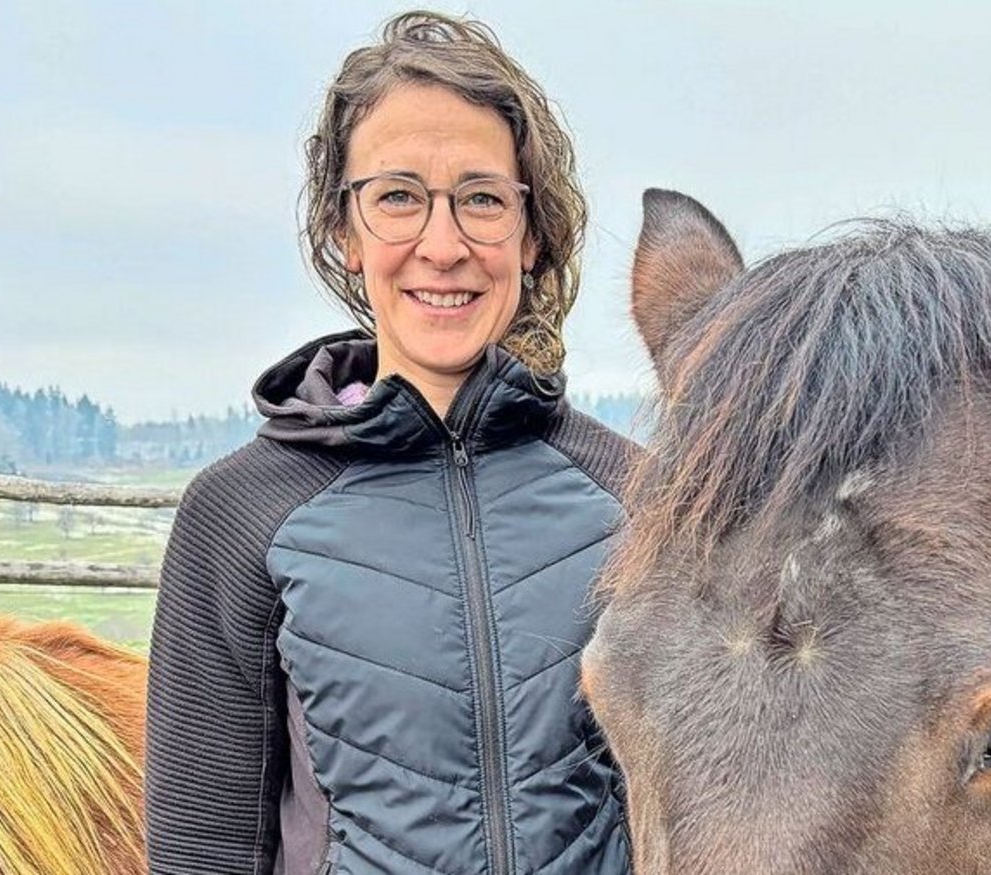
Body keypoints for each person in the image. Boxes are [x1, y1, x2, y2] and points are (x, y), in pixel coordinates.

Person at [145, 12, 635, 874]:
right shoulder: (239, 515)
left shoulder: (635, 497)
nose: (442, 246)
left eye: (482, 198)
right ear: (346, 228)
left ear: (529, 235)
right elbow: (201, 848)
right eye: (398, 196)